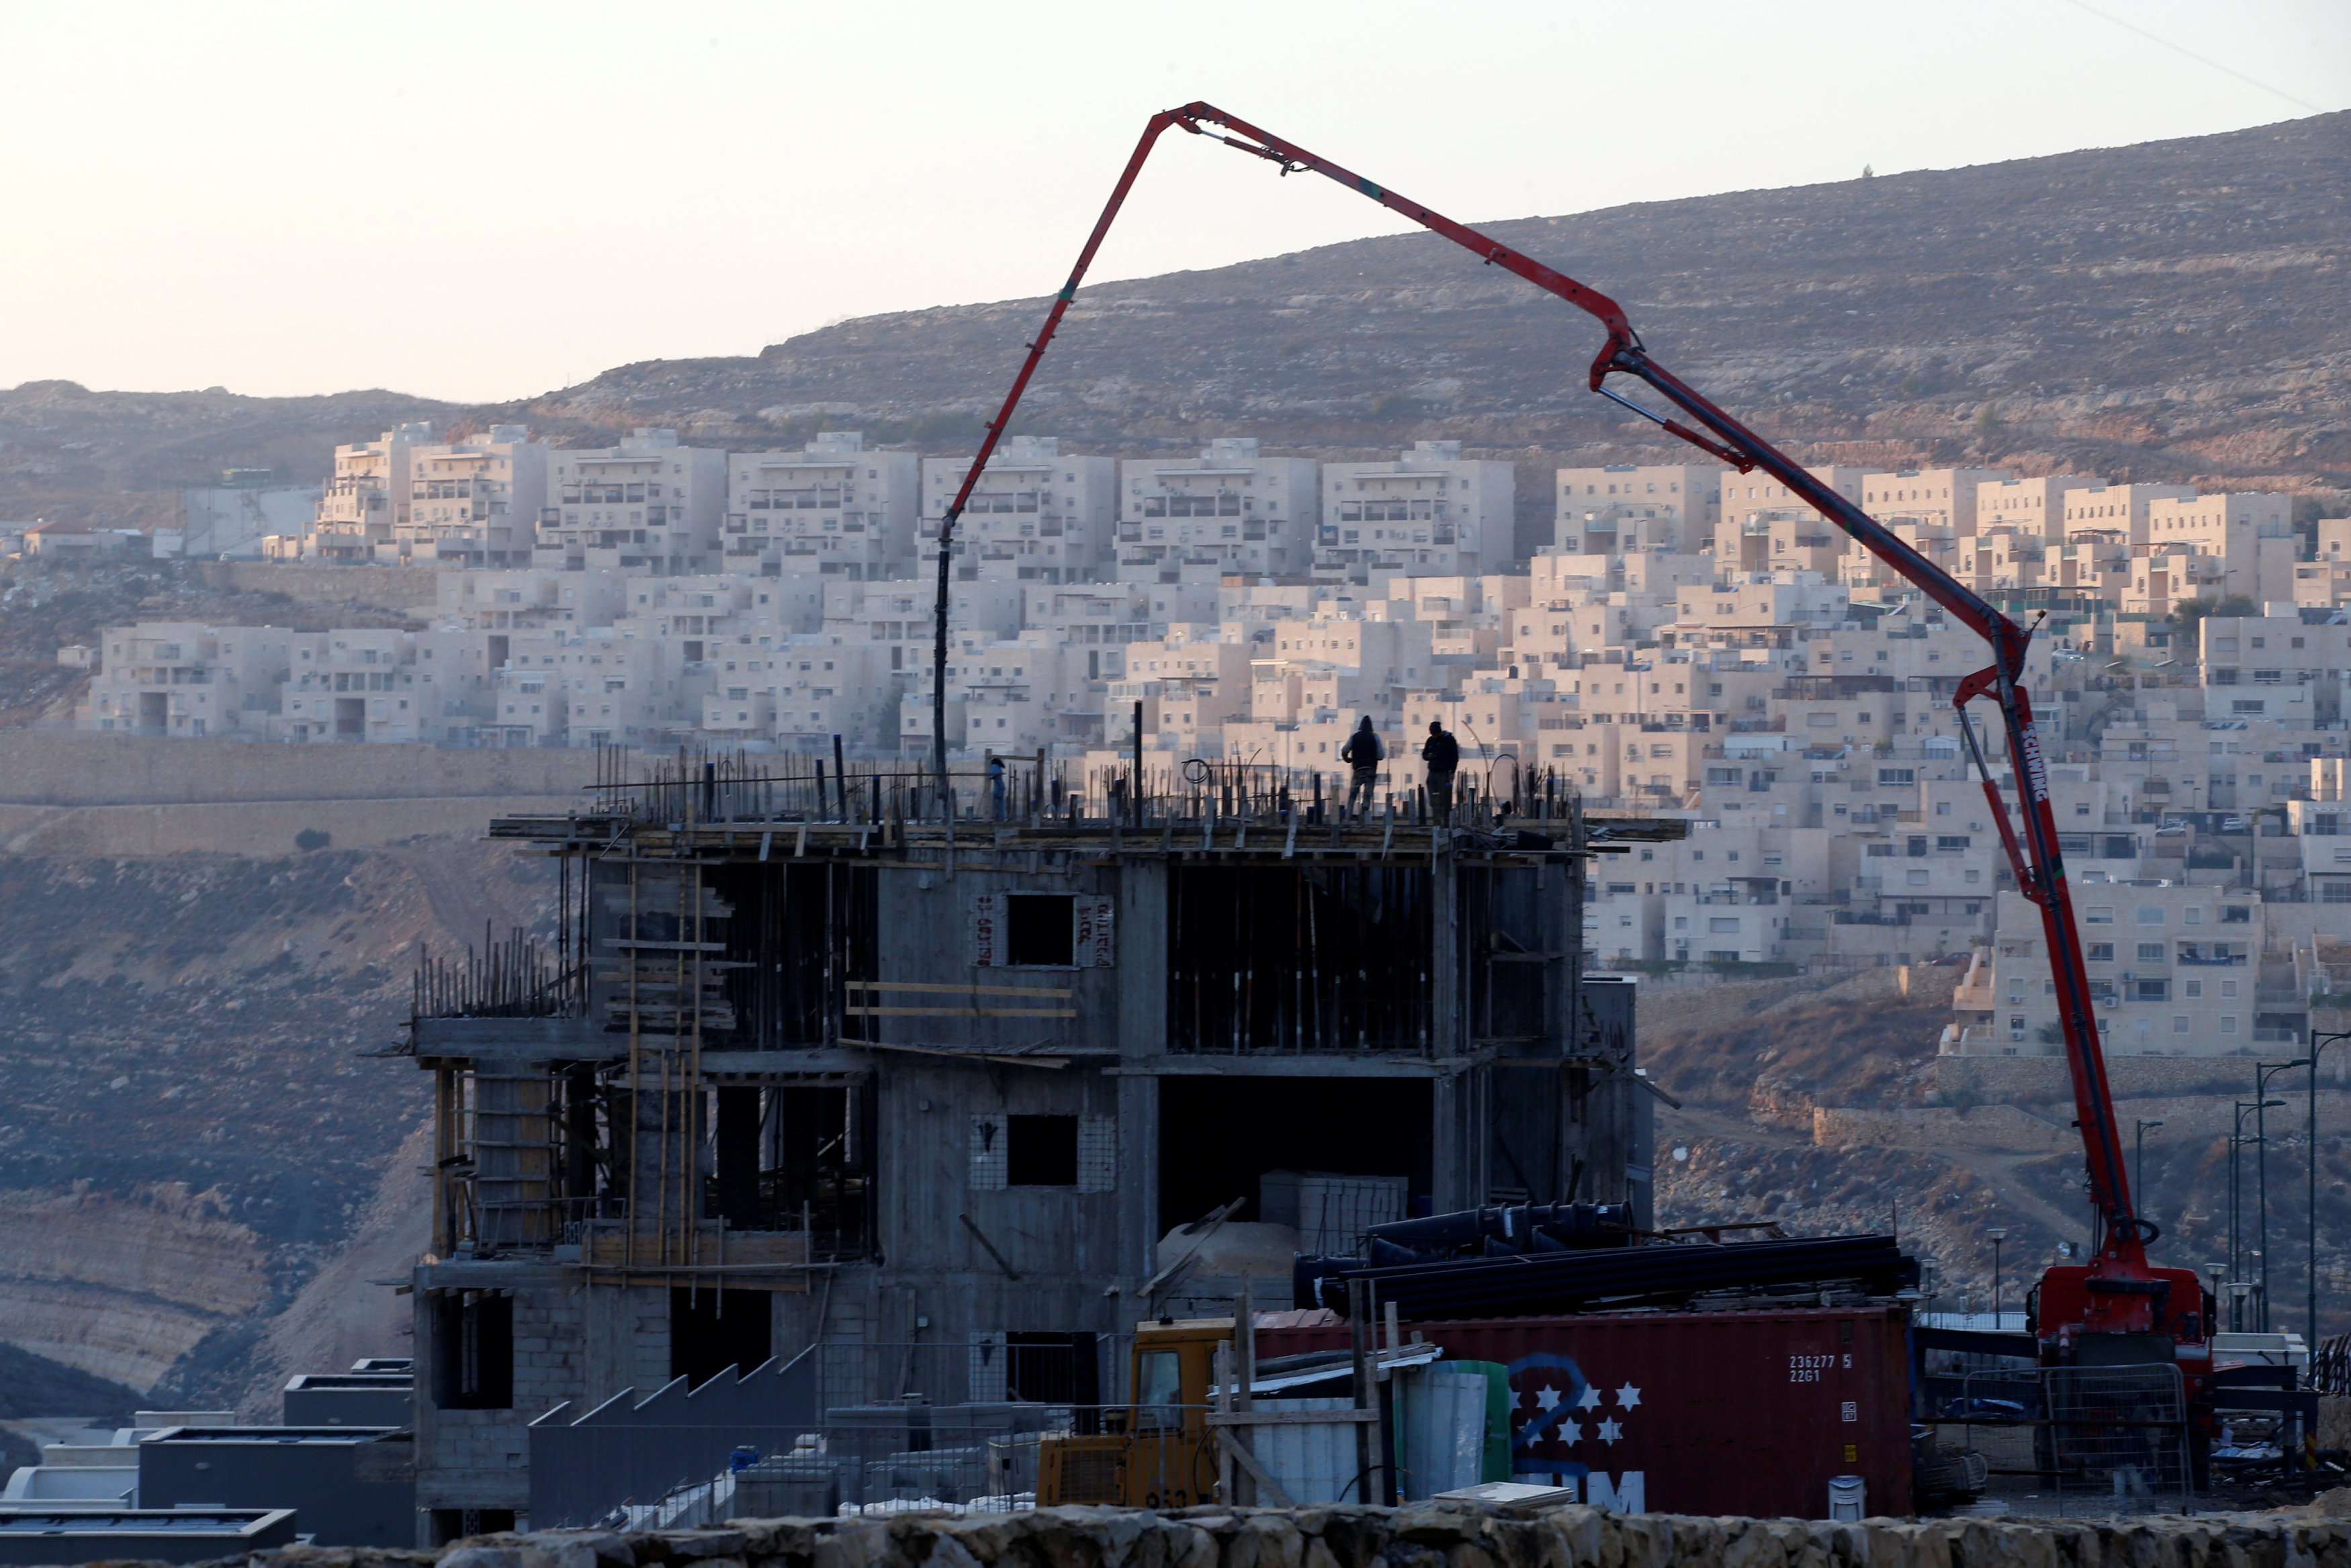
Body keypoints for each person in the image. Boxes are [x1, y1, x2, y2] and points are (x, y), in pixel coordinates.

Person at [1338, 716, 1383, 818]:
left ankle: (1348, 816)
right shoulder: (1375, 737)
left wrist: (1347, 759)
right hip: (1371, 770)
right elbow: (1381, 755)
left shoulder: (1355, 736)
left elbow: (1345, 750)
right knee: (1367, 795)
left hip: (1358, 770)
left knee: (1353, 794)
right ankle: (1364, 817)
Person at [1421, 719, 1460, 824]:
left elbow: (1455, 757)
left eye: (1435, 735)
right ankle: (1436, 818)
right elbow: (1424, 754)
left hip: (1445, 773)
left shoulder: (1450, 740)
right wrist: (1428, 756)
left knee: (1445, 798)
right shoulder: (1430, 740)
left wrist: (1453, 771)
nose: (1434, 736)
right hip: (1433, 772)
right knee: (1433, 797)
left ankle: (1446, 820)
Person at [986, 753, 1006, 821]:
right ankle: (1000, 819)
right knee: (1000, 805)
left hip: (998, 788)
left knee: (997, 805)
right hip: (1000, 788)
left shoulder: (994, 767)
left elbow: (991, 776)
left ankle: (998, 819)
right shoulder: (997, 767)